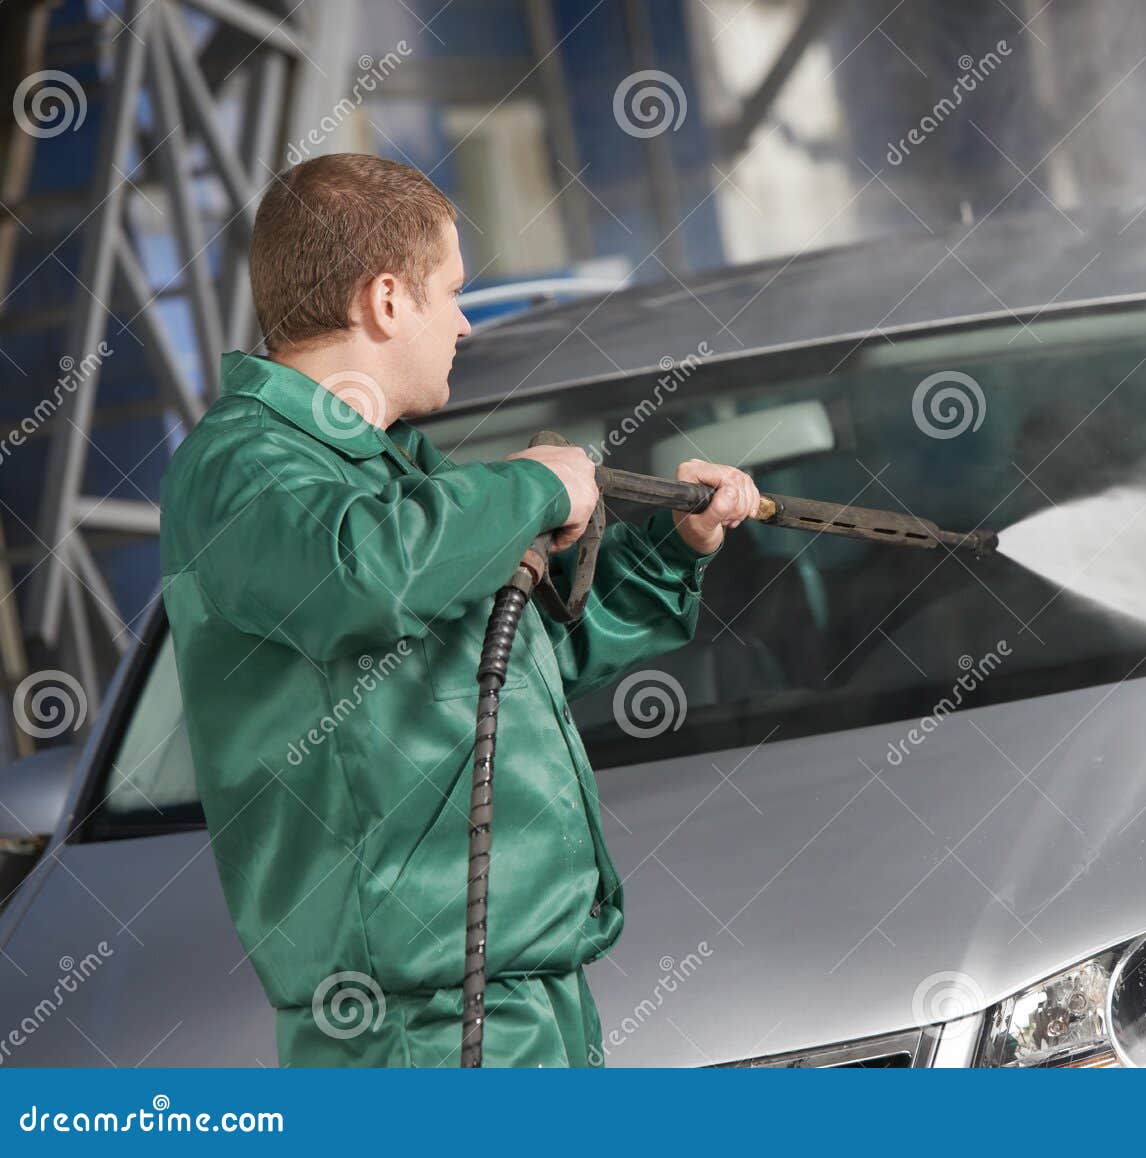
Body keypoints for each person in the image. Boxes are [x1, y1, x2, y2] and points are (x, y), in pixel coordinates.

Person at [158, 152, 759, 1067]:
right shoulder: (242, 469)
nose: (465, 322)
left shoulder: (388, 471)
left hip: (520, 991)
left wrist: (680, 550)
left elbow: (523, 652)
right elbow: (363, 575)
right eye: (453, 291)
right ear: (387, 301)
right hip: (416, 1028)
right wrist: (528, 487)